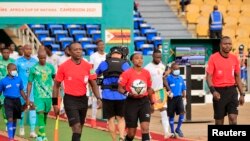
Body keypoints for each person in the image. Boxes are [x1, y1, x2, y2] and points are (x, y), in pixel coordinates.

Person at [52, 42, 102, 141]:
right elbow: (56, 86)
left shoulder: (88, 66)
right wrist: (55, 104)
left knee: (80, 128)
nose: (79, 51)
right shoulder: (63, 66)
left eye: (80, 49)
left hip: (83, 99)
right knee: (77, 127)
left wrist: (98, 98)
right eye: (75, 49)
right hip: (70, 100)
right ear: (69, 52)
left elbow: (93, 83)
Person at [206, 36, 245, 125]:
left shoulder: (234, 58)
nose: (228, 46)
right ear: (220, 45)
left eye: (230, 44)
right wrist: (213, 91)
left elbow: (237, 77)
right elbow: (208, 77)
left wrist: (242, 94)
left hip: (232, 91)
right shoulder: (213, 58)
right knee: (219, 122)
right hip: (218, 92)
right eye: (225, 44)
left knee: (233, 118)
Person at [96, 46, 130, 141]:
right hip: (121, 96)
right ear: (121, 54)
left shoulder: (104, 63)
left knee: (110, 119)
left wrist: (101, 81)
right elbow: (129, 78)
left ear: (110, 54)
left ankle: (114, 140)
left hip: (107, 95)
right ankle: (122, 137)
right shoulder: (125, 64)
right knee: (121, 118)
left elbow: (96, 75)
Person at [118, 53, 154, 141]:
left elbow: (149, 89)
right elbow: (120, 88)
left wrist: (152, 103)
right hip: (131, 103)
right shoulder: (126, 73)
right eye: (137, 58)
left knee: (145, 128)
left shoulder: (146, 73)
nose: (140, 60)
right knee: (131, 133)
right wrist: (128, 94)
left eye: (141, 58)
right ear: (132, 61)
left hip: (144, 102)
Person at [27, 50, 55, 141]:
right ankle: (43, 135)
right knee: (40, 112)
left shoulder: (51, 67)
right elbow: (30, 83)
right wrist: (28, 98)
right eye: (41, 58)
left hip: (49, 96)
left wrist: (57, 98)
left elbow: (56, 82)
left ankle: (39, 135)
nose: (43, 59)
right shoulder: (33, 68)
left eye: (44, 58)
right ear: (38, 58)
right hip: (38, 95)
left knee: (46, 114)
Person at [144, 49, 171, 139]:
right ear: (152, 56)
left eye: (160, 57)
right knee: (149, 114)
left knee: (164, 111)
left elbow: (163, 77)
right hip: (151, 93)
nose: (158, 59)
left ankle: (167, 132)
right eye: (157, 57)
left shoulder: (162, 66)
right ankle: (148, 134)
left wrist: (168, 89)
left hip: (160, 92)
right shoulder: (147, 68)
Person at [0, 63, 27, 141]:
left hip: (17, 101)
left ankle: (12, 136)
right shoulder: (3, 81)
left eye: (16, 69)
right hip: (8, 101)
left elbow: (21, 90)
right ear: (8, 70)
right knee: (10, 119)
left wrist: (26, 99)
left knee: (15, 119)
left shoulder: (19, 79)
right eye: (13, 69)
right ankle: (10, 138)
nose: (15, 71)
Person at [15, 44, 38, 137]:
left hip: (33, 89)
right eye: (27, 49)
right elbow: (14, 75)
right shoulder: (18, 61)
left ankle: (32, 131)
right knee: (22, 108)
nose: (29, 50)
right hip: (21, 89)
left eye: (30, 49)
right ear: (23, 50)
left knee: (32, 107)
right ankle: (21, 127)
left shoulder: (35, 61)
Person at [89, 39, 107, 127]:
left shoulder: (107, 55)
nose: (102, 46)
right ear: (97, 46)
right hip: (97, 79)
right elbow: (91, 68)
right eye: (100, 45)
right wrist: (92, 80)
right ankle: (93, 119)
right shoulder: (93, 56)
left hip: (106, 79)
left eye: (103, 45)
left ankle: (107, 120)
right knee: (95, 99)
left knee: (107, 99)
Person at [166, 62, 186, 138]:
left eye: (178, 69)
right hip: (171, 99)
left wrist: (184, 95)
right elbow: (165, 88)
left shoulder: (180, 78)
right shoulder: (168, 78)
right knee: (171, 115)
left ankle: (178, 128)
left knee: (182, 113)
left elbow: (183, 88)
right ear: (171, 69)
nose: (177, 70)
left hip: (179, 98)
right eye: (175, 69)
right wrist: (168, 93)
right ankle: (172, 131)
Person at [0, 47, 15, 129]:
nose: (5, 54)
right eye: (4, 52)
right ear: (1, 53)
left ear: (9, 53)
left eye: (7, 52)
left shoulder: (13, 62)